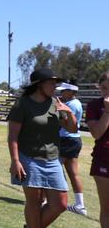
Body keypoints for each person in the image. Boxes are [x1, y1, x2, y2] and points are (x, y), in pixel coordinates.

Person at [7, 68, 77, 228]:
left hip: (53, 159)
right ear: (39, 85)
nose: (55, 87)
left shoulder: (55, 103)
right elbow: (12, 137)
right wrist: (15, 161)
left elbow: (72, 129)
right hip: (28, 158)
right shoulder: (22, 104)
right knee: (35, 201)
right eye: (52, 83)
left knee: (61, 204)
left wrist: (69, 113)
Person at [56, 81, 87, 216]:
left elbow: (68, 123)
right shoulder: (74, 103)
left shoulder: (71, 105)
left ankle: (47, 199)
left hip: (67, 140)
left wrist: (56, 114)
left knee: (53, 168)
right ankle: (80, 205)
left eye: (64, 91)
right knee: (73, 173)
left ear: (71, 91)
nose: (61, 93)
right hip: (72, 140)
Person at [85, 71, 109, 227]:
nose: (107, 92)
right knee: (107, 209)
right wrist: (107, 111)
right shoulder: (94, 106)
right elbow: (97, 133)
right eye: (104, 88)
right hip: (103, 160)